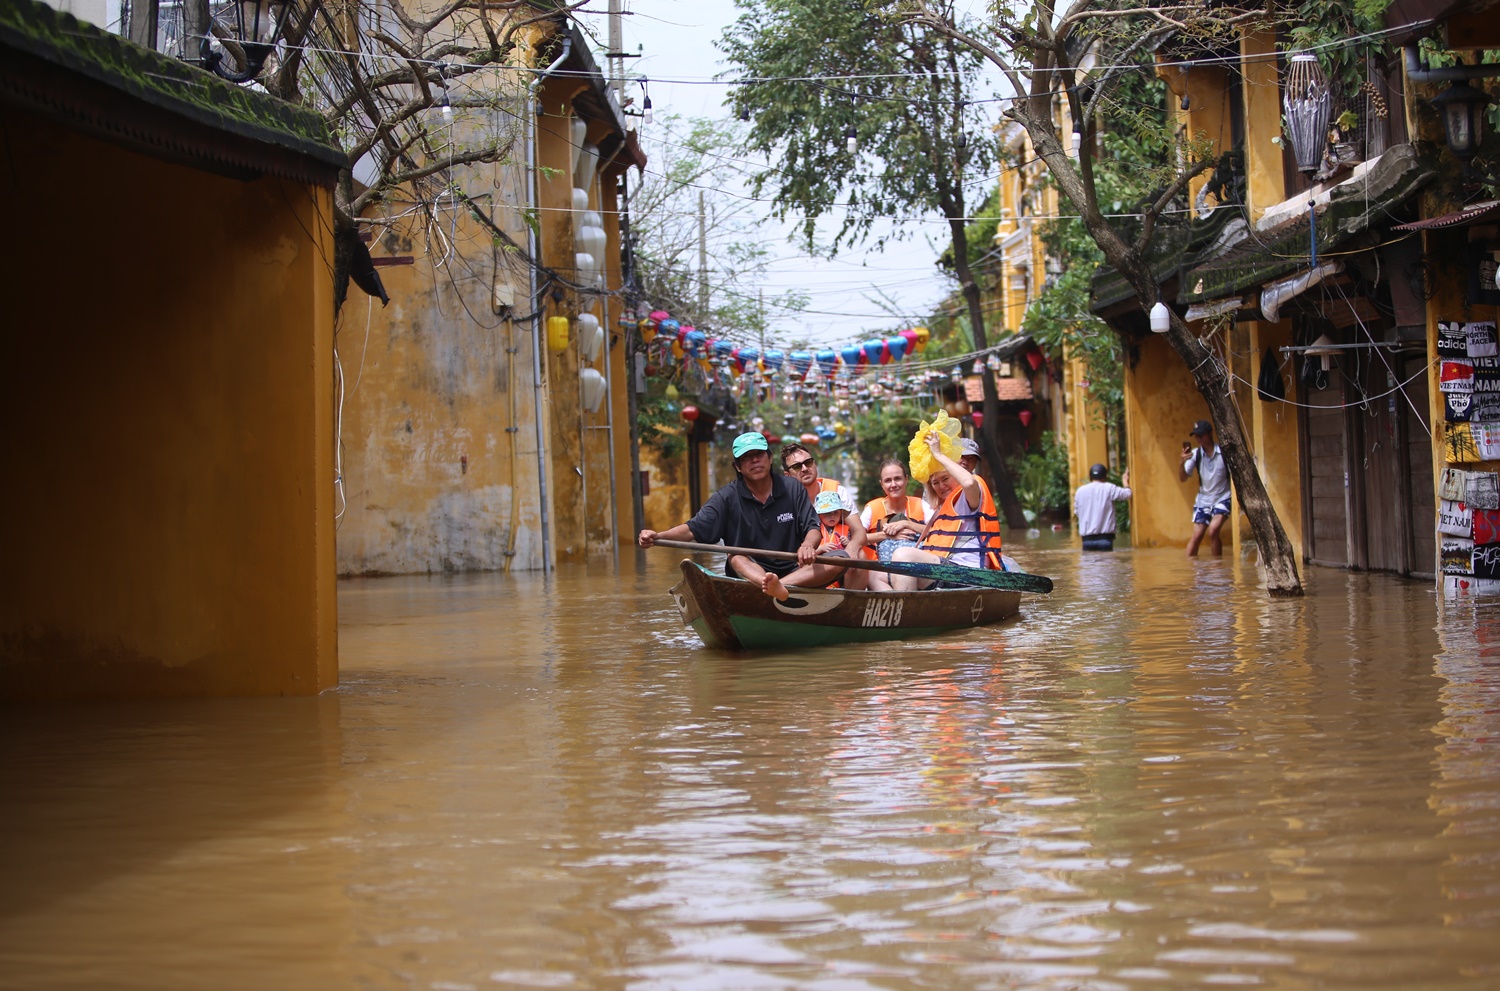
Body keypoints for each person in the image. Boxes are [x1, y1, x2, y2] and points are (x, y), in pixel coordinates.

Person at [638, 432, 845, 600]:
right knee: (736, 557)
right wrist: (658, 537)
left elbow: (812, 527)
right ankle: (768, 584)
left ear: (770, 458)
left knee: (840, 558)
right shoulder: (726, 497)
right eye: (747, 457)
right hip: (753, 572)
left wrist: (807, 545)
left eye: (759, 454)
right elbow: (692, 529)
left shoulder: (792, 488)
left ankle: (780, 586)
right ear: (738, 466)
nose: (755, 461)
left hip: (795, 568)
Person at [889, 432, 1003, 590]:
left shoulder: (969, 495)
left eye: (946, 479)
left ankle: (904, 610)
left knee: (903, 555)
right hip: (945, 570)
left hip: (968, 574)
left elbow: (969, 483)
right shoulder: (941, 508)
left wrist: (938, 454)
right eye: (936, 482)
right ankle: (895, 605)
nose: (941, 486)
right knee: (878, 573)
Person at [781, 442, 868, 559]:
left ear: (814, 463)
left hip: (840, 556)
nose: (805, 468)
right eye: (797, 466)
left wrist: (850, 550)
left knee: (860, 555)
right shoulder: (783, 500)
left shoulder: (838, 492)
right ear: (787, 475)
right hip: (805, 561)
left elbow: (859, 530)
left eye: (808, 462)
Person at [860, 459, 927, 591]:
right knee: (871, 576)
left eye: (898, 479)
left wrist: (907, 524)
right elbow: (855, 538)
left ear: (906, 480)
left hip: (917, 569)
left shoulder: (921, 504)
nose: (893, 484)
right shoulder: (872, 508)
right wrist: (886, 536)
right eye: (888, 480)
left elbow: (937, 531)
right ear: (882, 485)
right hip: (881, 570)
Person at [1179, 419, 1230, 557]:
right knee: (1197, 536)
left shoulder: (1223, 453)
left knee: (1213, 531)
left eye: (1201, 435)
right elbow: (1183, 478)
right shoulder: (1196, 454)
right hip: (1203, 500)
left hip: (1223, 498)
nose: (1198, 439)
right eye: (1196, 436)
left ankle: (1217, 571)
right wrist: (1181, 463)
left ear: (1210, 434)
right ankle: (1191, 572)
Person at [813, 490, 868, 590]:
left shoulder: (845, 528)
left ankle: (850, 594)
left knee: (861, 554)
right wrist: (821, 548)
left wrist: (848, 543)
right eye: (827, 513)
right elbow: (806, 553)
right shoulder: (814, 529)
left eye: (835, 512)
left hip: (842, 572)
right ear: (819, 515)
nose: (832, 516)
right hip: (820, 570)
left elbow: (851, 548)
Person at [1074, 463, 1131, 551]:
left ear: (1090, 477)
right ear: (1105, 477)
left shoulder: (1080, 491)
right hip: (1105, 539)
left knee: (1089, 564)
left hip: (1087, 540)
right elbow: (1127, 494)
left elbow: (1077, 512)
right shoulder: (1109, 488)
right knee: (1106, 564)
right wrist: (1125, 482)